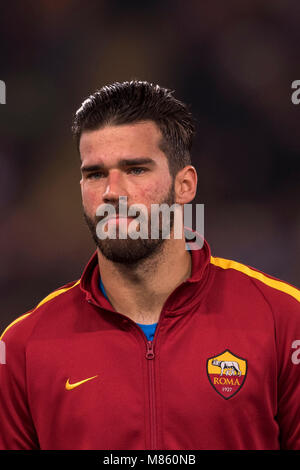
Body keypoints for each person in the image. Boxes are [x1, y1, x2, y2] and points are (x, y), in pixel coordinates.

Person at [0, 80, 299, 450]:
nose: (112, 192)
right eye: (95, 174)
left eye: (136, 169)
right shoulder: (22, 348)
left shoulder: (284, 321)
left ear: (185, 185)